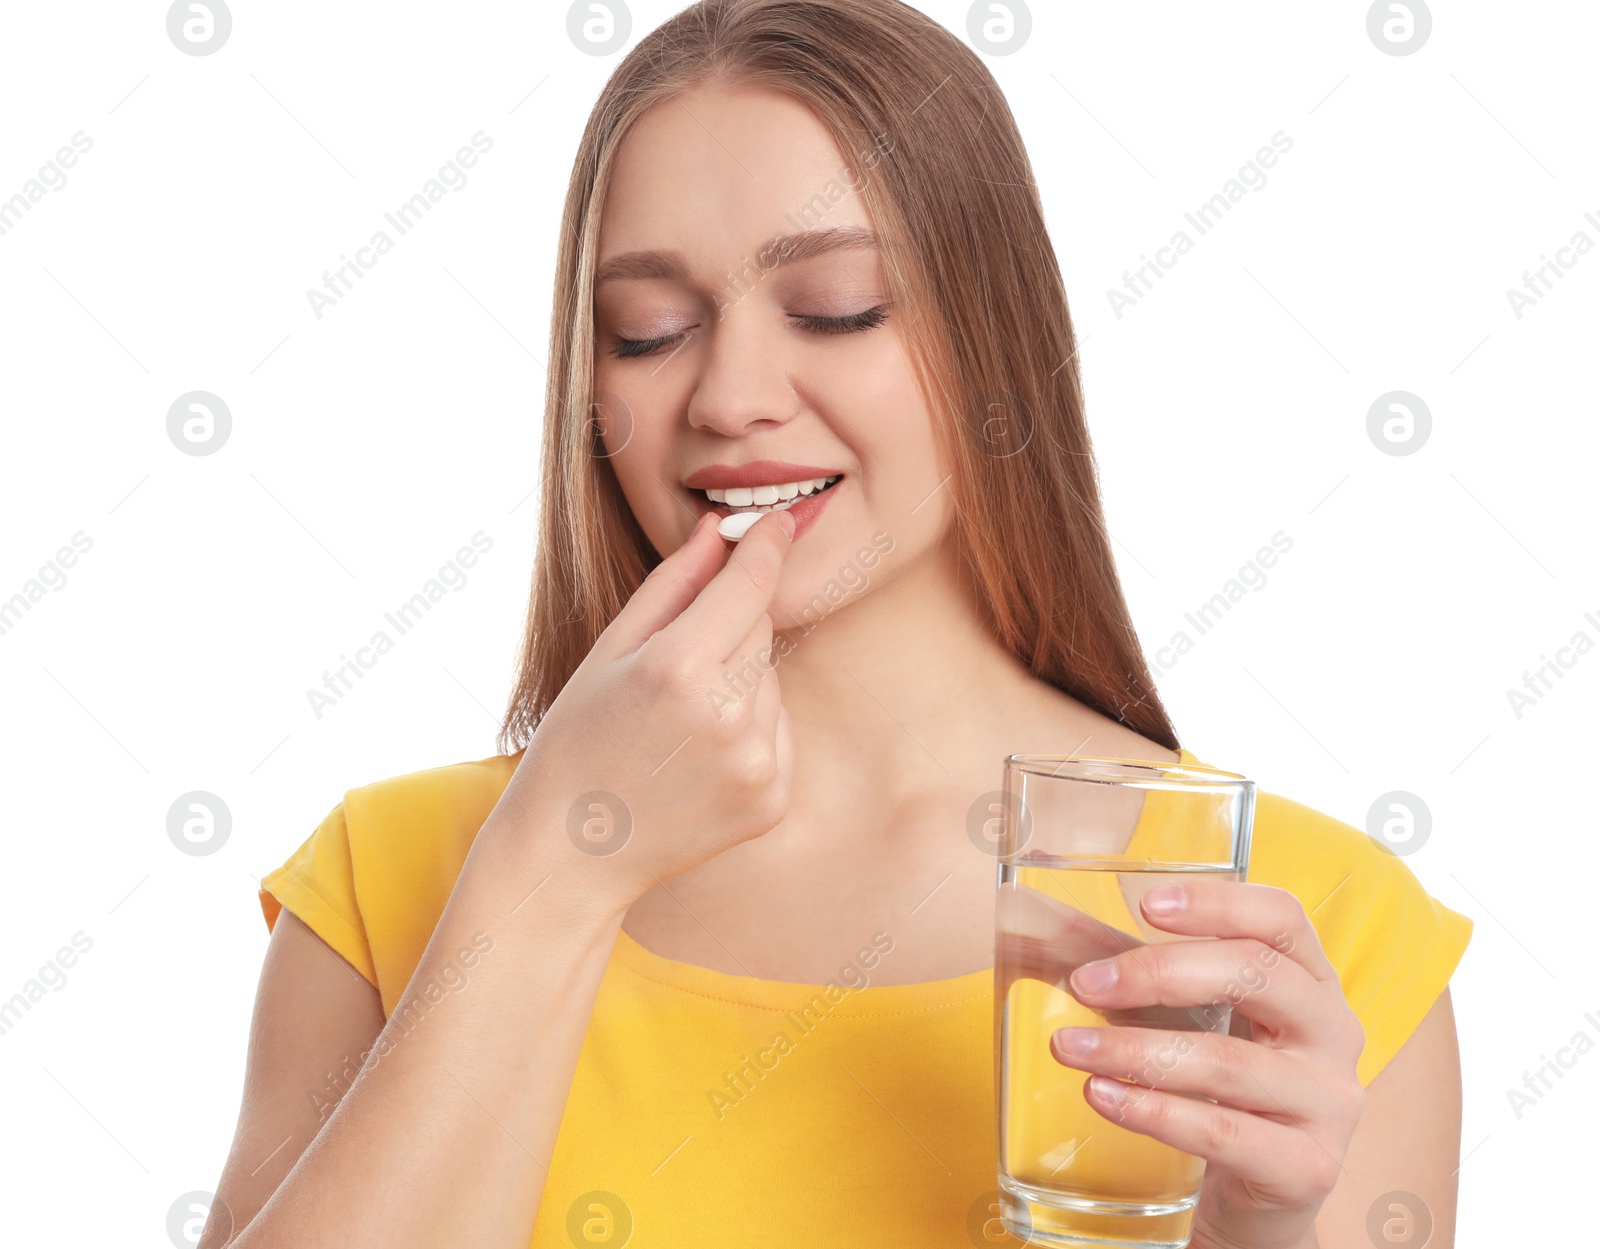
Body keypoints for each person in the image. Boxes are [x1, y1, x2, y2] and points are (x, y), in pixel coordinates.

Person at [206, 2, 1472, 1246]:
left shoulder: (1299, 924)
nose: (730, 397)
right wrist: (557, 865)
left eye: (837, 307)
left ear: (996, 340)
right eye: (647, 331)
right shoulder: (391, 881)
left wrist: (1264, 1234)